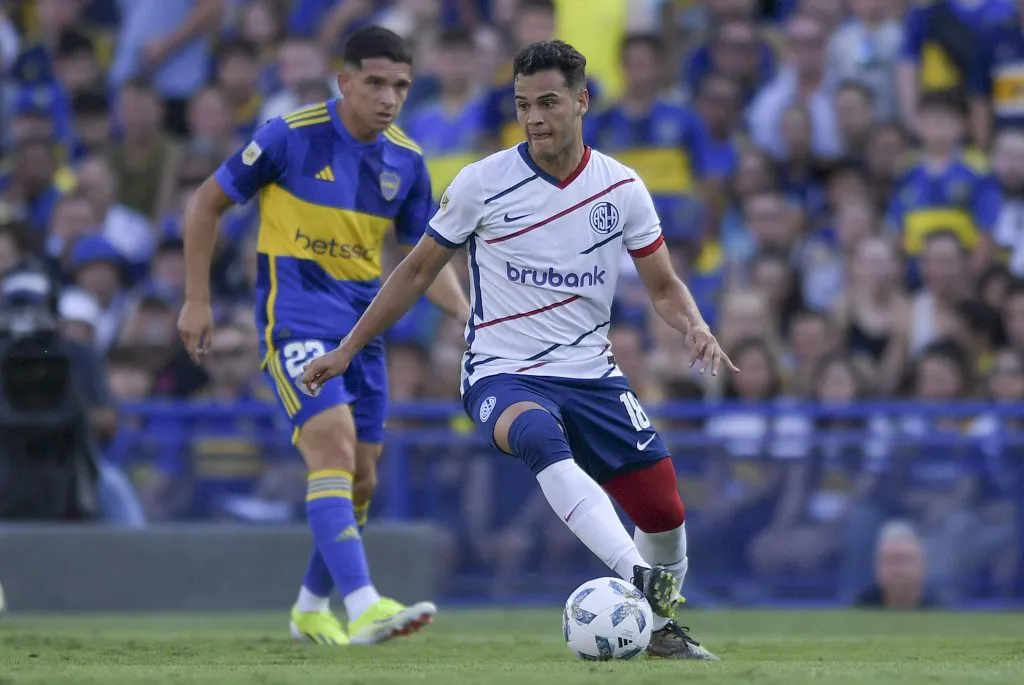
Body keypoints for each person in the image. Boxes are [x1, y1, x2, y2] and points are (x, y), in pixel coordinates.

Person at [303, 39, 734, 660]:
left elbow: (663, 286)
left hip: (593, 376)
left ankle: (660, 630)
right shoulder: (482, 182)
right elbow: (417, 271)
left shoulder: (621, 188)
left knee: (664, 512)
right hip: (501, 372)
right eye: (522, 104)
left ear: (582, 101)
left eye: (548, 102)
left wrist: (693, 323)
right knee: (536, 434)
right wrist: (348, 348)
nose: (533, 117)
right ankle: (636, 577)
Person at [177, 26, 470, 646]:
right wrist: (197, 299)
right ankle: (364, 606)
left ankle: (310, 608)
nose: (388, 98)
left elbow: (422, 261)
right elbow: (206, 203)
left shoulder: (407, 161)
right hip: (296, 321)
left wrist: (467, 316)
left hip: (362, 333)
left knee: (361, 478)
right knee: (332, 444)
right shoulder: (290, 136)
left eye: (401, 86)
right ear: (345, 81)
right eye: (375, 83)